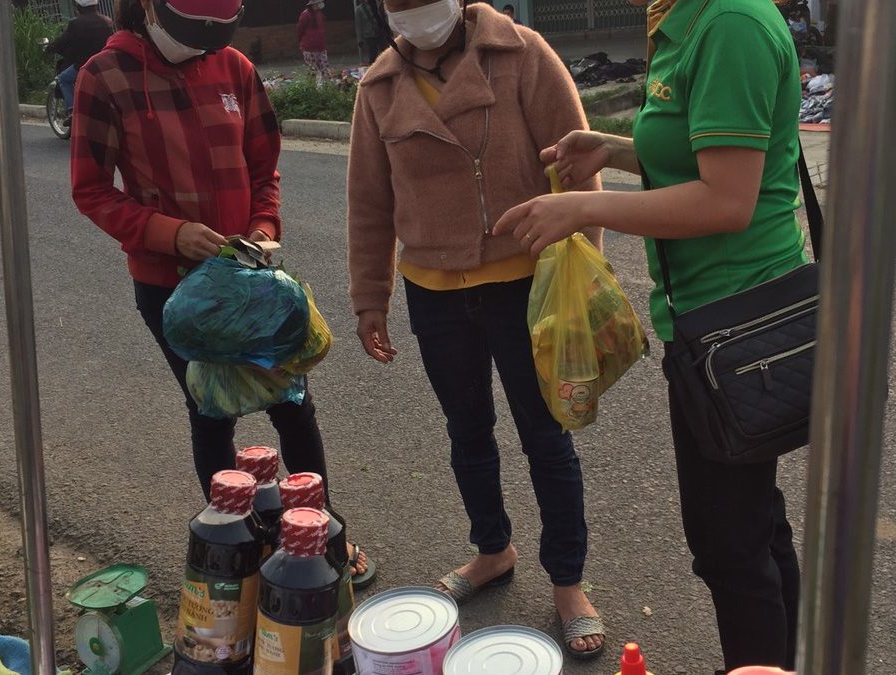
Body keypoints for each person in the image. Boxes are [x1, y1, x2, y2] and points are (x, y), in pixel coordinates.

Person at [494, 0, 803, 671]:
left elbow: (727, 198)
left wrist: (583, 205)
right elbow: (699, 152)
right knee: (754, 523)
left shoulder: (729, 24)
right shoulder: (685, 19)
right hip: (705, 320)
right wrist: (614, 150)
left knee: (730, 543)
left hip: (737, 329)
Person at [70, 0, 375, 590]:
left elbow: (265, 167)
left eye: (216, 33)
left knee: (292, 403)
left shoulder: (234, 67)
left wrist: (263, 228)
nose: (204, 43)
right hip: (173, 291)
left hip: (251, 283)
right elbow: (91, 190)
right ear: (150, 8)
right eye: (193, 31)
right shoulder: (103, 77)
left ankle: (320, 532)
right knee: (210, 411)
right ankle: (243, 548)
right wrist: (172, 234)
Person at [347, 0, 606, 659]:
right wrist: (369, 298)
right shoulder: (378, 87)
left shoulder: (522, 55)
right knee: (468, 433)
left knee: (546, 438)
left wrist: (583, 276)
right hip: (433, 291)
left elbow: (578, 170)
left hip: (524, 282)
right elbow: (370, 201)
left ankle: (568, 582)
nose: (412, 11)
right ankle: (492, 547)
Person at [46, 0, 113, 122]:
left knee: (62, 79)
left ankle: (73, 111)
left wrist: (50, 48)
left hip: (84, 66)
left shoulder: (76, 23)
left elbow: (63, 41)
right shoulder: (106, 21)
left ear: (78, 7)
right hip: (106, 64)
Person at [296, 0, 329, 84]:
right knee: (312, 70)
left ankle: (326, 88)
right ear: (313, 5)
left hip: (321, 46)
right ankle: (312, 89)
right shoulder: (305, 15)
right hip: (309, 47)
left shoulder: (319, 14)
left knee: (324, 68)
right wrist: (300, 42)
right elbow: (300, 29)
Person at [355, 0, 385, 65]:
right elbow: (358, 25)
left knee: (384, 53)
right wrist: (360, 40)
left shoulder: (378, 6)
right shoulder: (359, 9)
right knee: (372, 55)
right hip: (369, 35)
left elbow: (384, 19)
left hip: (381, 33)